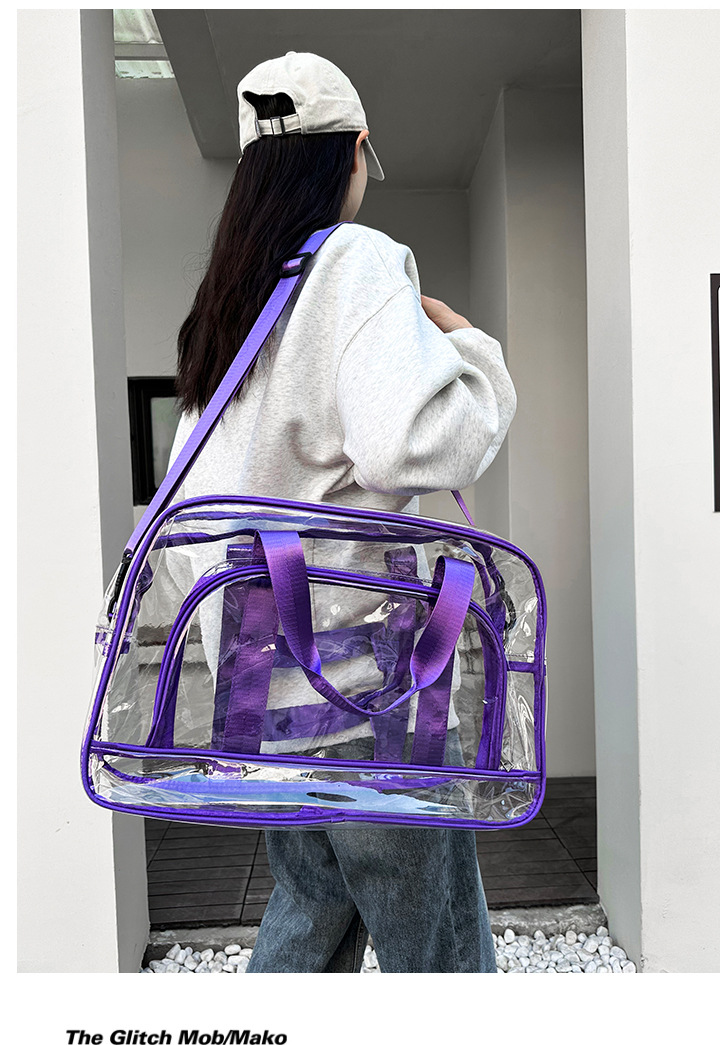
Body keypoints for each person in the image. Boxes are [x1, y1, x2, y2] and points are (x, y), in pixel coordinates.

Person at [169, 51, 517, 974]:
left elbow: (196, 514)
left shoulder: (233, 305)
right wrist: (473, 350)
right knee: (439, 955)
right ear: (355, 150)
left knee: (309, 919)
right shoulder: (354, 262)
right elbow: (415, 444)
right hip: (367, 700)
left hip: (265, 704)